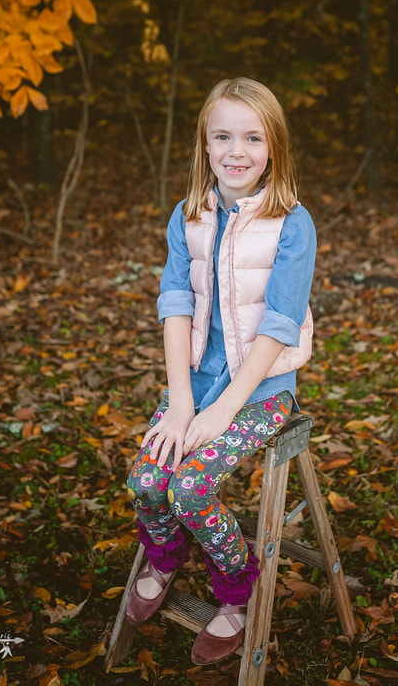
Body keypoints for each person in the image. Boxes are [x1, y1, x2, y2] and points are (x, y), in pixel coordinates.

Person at [125, 77, 316, 665]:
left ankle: (236, 590)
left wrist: (222, 409)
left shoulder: (292, 224)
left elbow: (280, 324)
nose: (238, 152)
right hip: (196, 382)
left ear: (274, 146)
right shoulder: (190, 215)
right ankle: (163, 558)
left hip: (260, 390)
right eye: (223, 137)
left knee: (189, 487)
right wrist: (182, 402)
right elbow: (175, 301)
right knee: (146, 480)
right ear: (205, 147)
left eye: (253, 138)